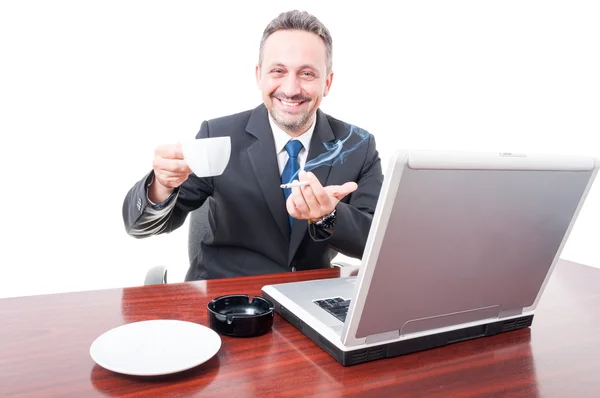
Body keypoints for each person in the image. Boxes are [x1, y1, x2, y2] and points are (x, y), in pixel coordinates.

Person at [122, 10, 383, 280]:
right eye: (278, 71)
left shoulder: (358, 146)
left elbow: (377, 243)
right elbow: (140, 227)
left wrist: (328, 216)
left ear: (327, 83)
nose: (291, 89)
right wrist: (161, 186)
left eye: (306, 73)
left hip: (308, 299)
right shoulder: (218, 135)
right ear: (259, 76)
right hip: (225, 300)